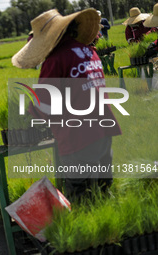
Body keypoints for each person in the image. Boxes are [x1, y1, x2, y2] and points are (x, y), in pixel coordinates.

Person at [12, 8, 122, 201]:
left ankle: (87, 229)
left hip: (78, 137)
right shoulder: (89, 51)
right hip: (104, 132)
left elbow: (44, 104)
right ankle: (109, 227)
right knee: (103, 191)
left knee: (80, 194)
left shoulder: (56, 60)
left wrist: (31, 113)